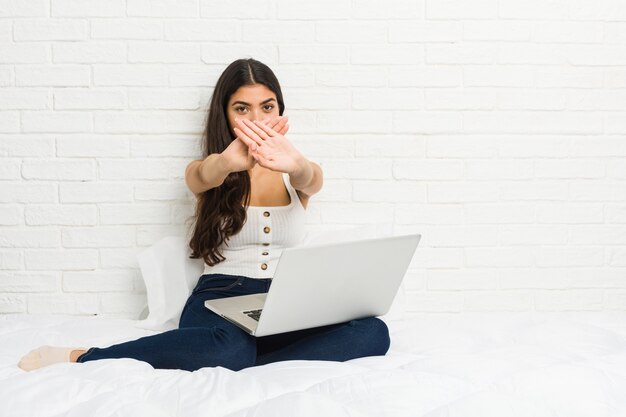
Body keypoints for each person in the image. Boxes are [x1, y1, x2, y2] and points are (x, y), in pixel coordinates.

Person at [18, 58, 390, 372]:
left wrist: (295, 163)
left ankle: (247, 358)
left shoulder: (295, 172)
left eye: (267, 106)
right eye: (242, 108)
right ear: (225, 114)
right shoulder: (208, 170)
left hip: (285, 300)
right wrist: (229, 160)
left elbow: (313, 179)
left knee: (374, 332)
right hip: (220, 297)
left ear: (280, 110)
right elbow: (204, 175)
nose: (257, 118)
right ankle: (85, 356)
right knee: (227, 347)